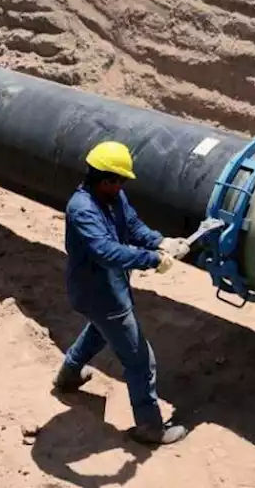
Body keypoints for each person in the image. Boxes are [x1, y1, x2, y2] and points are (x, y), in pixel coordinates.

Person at [52, 140, 192, 445]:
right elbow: (107, 253)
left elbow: (133, 226)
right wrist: (152, 260)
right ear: (105, 180)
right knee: (140, 360)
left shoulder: (113, 197)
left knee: (100, 331)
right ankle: (150, 427)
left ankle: (68, 375)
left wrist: (160, 242)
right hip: (100, 293)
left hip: (108, 289)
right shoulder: (83, 210)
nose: (123, 186)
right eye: (121, 181)